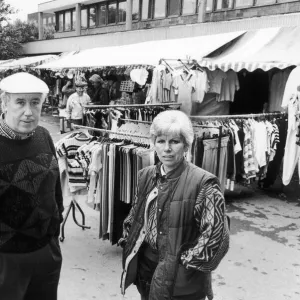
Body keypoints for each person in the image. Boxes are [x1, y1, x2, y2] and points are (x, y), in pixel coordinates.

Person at [119, 110, 230, 300]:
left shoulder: (203, 184)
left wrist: (186, 264)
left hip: (180, 280)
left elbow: (217, 237)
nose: (167, 149)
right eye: (161, 141)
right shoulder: (146, 175)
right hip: (145, 268)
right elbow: (135, 214)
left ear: (186, 145)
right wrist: (128, 240)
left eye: (174, 142)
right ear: (154, 143)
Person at [0, 72, 64, 300]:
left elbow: (55, 187)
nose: (29, 111)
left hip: (46, 252)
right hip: (7, 259)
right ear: (5, 103)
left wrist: (55, 228)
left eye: (35, 102)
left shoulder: (43, 135)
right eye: (20, 102)